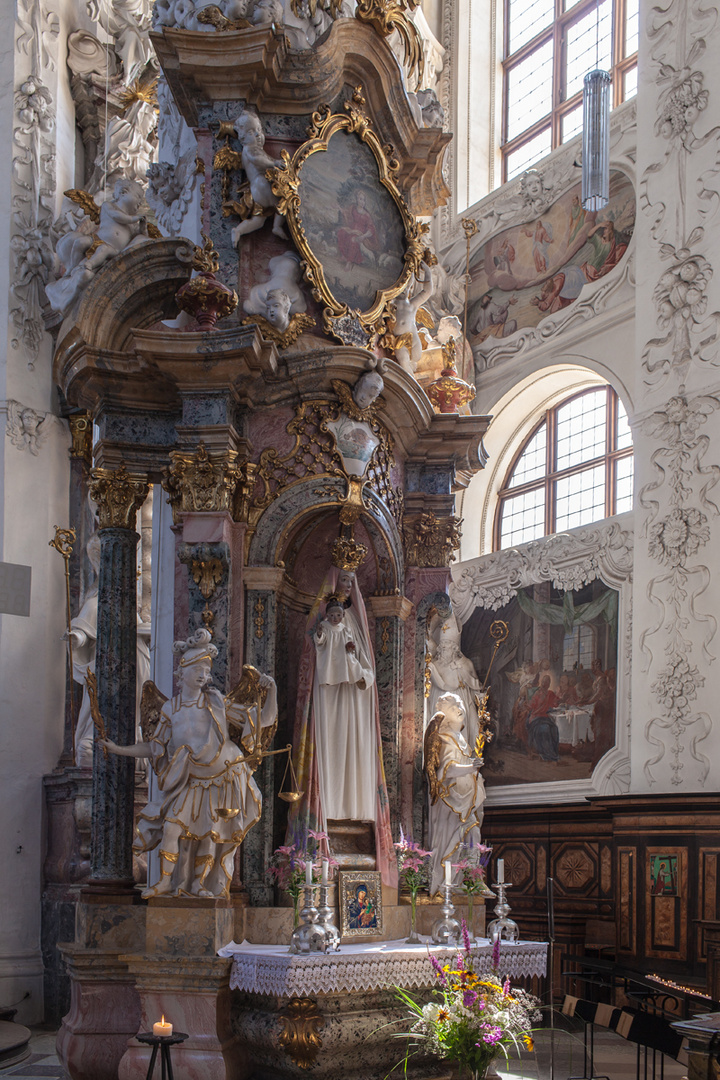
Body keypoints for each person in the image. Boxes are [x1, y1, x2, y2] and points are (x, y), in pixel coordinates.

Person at [100, 628, 277, 898]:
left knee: (210, 837)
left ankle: (198, 885)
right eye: (197, 667)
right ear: (181, 673)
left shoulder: (216, 702)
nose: (203, 673)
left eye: (206, 668)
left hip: (221, 778)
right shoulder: (170, 709)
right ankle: (165, 883)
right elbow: (153, 747)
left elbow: (263, 720)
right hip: (189, 779)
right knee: (172, 829)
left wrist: (272, 691)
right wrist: (118, 749)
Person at [289, 539, 397, 887]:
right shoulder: (322, 619)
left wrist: (361, 673)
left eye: (352, 581)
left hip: (354, 697)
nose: (348, 586)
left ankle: (356, 816)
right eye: (344, 580)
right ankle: (327, 818)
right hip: (327, 696)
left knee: (353, 752)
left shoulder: (355, 620)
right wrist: (325, 635)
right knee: (330, 749)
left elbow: (368, 666)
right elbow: (314, 648)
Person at [65, 532, 150, 768]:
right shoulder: (96, 602)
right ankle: (93, 739)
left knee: (134, 701)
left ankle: (132, 740)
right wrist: (76, 637)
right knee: (101, 701)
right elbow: (84, 629)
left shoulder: (126, 604)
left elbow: (137, 627)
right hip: (106, 665)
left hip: (135, 661)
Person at [311, 596, 376, 820]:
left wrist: (352, 652)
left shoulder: (349, 626)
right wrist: (320, 633)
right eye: (333, 615)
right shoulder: (326, 627)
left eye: (339, 615)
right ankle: (328, 809)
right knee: (330, 737)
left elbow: (355, 650)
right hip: (329, 679)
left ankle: (353, 810)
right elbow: (319, 642)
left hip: (348, 676)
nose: (336, 618)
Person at [424, 692, 485, 895]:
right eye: (453, 707)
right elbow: (447, 770)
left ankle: (471, 878)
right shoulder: (444, 738)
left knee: (473, 834)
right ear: (444, 714)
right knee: (453, 839)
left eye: (460, 704)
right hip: (452, 801)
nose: (460, 709)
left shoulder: (462, 740)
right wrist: (470, 768)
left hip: (467, 798)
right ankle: (446, 884)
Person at [230, 111, 288, 243]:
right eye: (251, 132)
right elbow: (258, 160)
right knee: (282, 200)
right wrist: (275, 163)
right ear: (243, 138)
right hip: (262, 183)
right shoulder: (250, 149)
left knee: (258, 220)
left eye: (259, 130)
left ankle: (238, 230)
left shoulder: (253, 148)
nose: (257, 134)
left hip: (256, 190)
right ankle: (277, 226)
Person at [337, 189, 379, 270]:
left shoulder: (367, 215)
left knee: (353, 239)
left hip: (360, 233)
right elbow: (347, 214)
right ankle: (345, 256)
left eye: (364, 200)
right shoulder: (353, 208)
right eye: (360, 199)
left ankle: (349, 262)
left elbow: (371, 229)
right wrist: (339, 208)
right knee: (341, 232)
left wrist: (363, 236)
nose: (362, 202)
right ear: (357, 199)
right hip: (351, 230)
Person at [525, 674, 560, 761]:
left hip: (545, 718)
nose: (545, 683)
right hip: (536, 717)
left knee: (554, 729)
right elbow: (531, 705)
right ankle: (546, 755)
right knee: (545, 729)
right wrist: (526, 706)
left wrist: (560, 700)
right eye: (543, 681)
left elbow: (555, 704)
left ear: (549, 684)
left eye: (547, 682)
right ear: (541, 682)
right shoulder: (537, 693)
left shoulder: (550, 694)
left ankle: (553, 753)